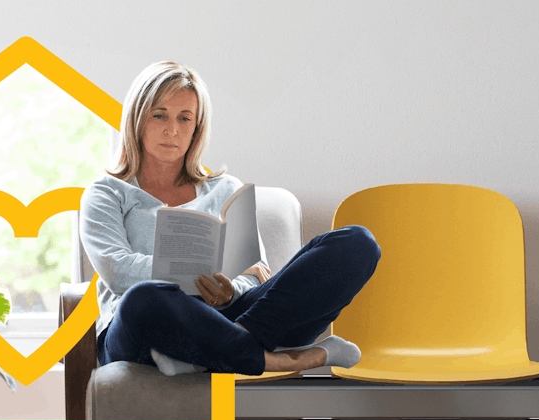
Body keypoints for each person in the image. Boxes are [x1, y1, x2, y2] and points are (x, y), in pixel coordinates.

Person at [79, 61, 381, 377]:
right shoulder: (106, 193)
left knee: (357, 243)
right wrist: (183, 270)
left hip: (226, 317)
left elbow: (254, 272)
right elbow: (116, 271)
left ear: (197, 127)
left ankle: (215, 350)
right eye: (160, 115)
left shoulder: (226, 188)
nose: (173, 130)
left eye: (185, 118)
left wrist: (230, 292)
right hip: (144, 329)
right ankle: (288, 358)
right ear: (137, 119)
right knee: (145, 296)